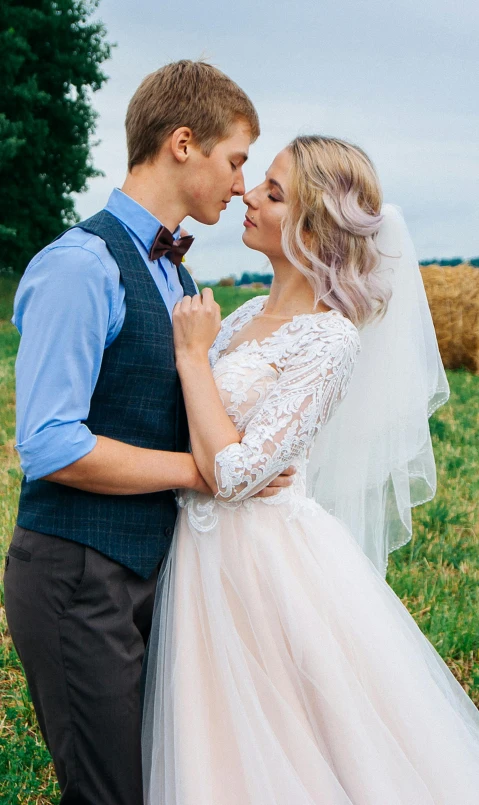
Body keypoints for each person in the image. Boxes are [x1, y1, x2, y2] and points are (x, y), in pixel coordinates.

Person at [142, 136, 479, 804]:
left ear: (312, 222)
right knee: (215, 734)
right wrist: (222, 443)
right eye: (257, 184)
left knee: (299, 736)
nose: (247, 195)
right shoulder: (239, 321)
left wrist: (191, 359)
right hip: (199, 550)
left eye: (272, 192)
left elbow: (237, 473)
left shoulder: (330, 337)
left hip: (264, 559)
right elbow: (224, 456)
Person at [3, 60, 295, 805]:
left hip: (155, 571)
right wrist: (197, 472)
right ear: (183, 143)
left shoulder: (179, 281)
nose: (239, 184)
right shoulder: (78, 265)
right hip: (76, 574)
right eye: (235, 161)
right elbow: (49, 443)